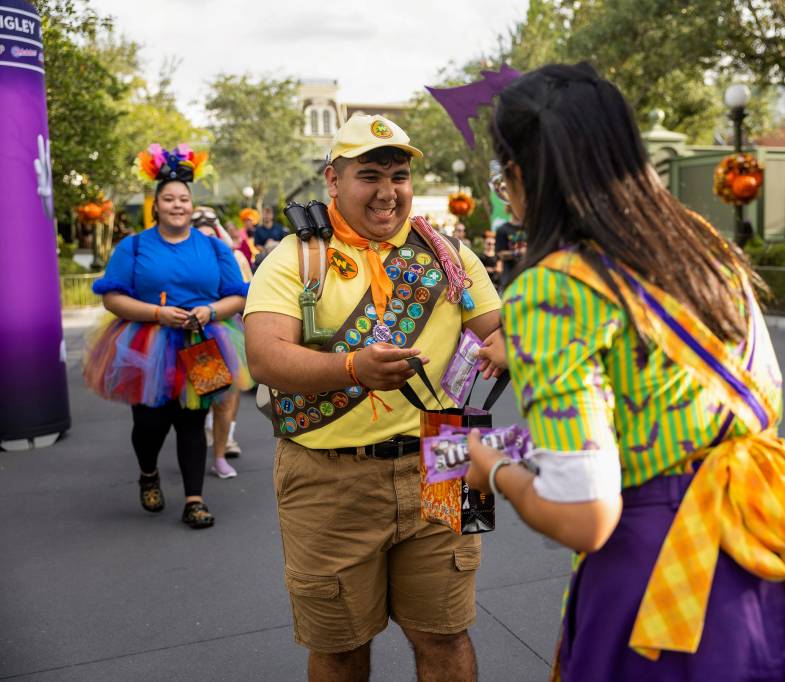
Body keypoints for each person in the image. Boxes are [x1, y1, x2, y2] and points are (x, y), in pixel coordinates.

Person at [467, 64, 785, 681]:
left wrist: (495, 470)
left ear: (525, 175)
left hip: (668, 580)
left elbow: (586, 514)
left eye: (503, 180)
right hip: (781, 542)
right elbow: (693, 399)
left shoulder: (550, 290)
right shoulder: (703, 247)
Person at [243, 114, 501, 681]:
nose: (388, 192)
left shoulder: (448, 253)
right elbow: (264, 357)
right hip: (326, 473)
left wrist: (511, 344)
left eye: (399, 175)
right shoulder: (294, 258)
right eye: (370, 175)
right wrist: (352, 367)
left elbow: (496, 328)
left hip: (445, 453)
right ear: (333, 181)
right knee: (339, 645)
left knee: (447, 631)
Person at [83, 144, 253, 529]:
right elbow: (112, 297)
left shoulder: (213, 247)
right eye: (169, 199)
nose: (177, 205)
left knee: (193, 421)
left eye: (184, 199)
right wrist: (158, 313)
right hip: (147, 345)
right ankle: (148, 473)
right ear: (156, 205)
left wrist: (210, 310)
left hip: (205, 343)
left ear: (192, 204)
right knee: (150, 424)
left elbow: (238, 295)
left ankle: (195, 500)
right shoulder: (135, 246)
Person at [192, 206, 251, 478]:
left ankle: (224, 444)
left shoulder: (231, 255)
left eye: (209, 232)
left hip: (228, 331)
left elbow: (246, 290)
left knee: (229, 394)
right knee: (208, 395)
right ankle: (209, 441)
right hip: (197, 334)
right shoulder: (188, 257)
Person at [493, 216, 524, 290]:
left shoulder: (531, 228)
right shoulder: (503, 229)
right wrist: (518, 253)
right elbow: (500, 254)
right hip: (509, 279)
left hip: (529, 276)